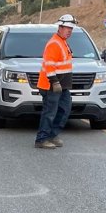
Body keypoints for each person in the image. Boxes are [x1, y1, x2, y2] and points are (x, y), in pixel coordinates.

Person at [35, 14, 77, 149]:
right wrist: (54, 82)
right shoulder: (54, 43)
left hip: (62, 86)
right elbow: (49, 64)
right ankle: (41, 139)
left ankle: (52, 135)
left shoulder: (63, 41)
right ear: (60, 27)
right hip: (51, 85)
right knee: (50, 112)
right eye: (67, 28)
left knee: (64, 109)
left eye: (71, 28)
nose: (69, 31)